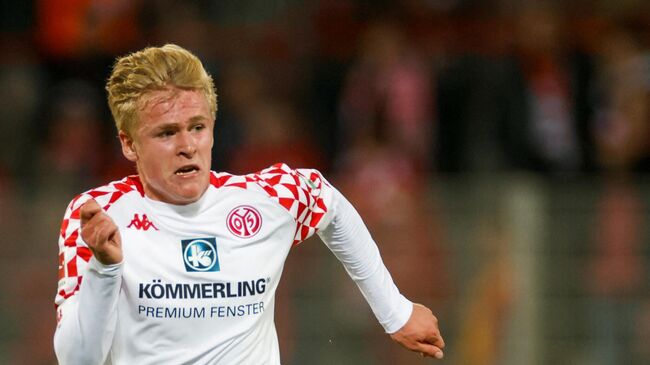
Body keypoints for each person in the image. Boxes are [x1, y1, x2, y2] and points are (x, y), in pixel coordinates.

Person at [53, 44, 444, 364]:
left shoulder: (266, 198)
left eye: (197, 127)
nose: (187, 146)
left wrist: (396, 312)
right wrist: (105, 270)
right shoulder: (98, 216)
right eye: (167, 133)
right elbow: (77, 360)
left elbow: (330, 204)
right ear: (128, 143)